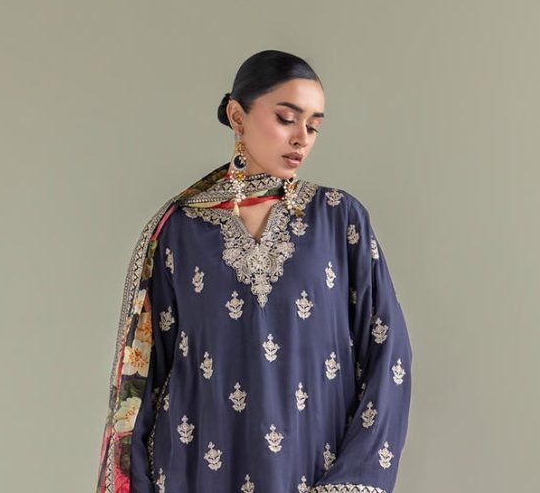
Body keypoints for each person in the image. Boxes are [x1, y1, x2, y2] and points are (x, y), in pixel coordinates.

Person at [95, 49, 413, 493]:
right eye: (287, 118)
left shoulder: (339, 218)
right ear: (237, 116)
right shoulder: (179, 230)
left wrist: (351, 480)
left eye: (314, 126)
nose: (302, 138)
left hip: (312, 470)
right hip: (195, 470)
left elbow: (389, 355)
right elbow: (143, 375)